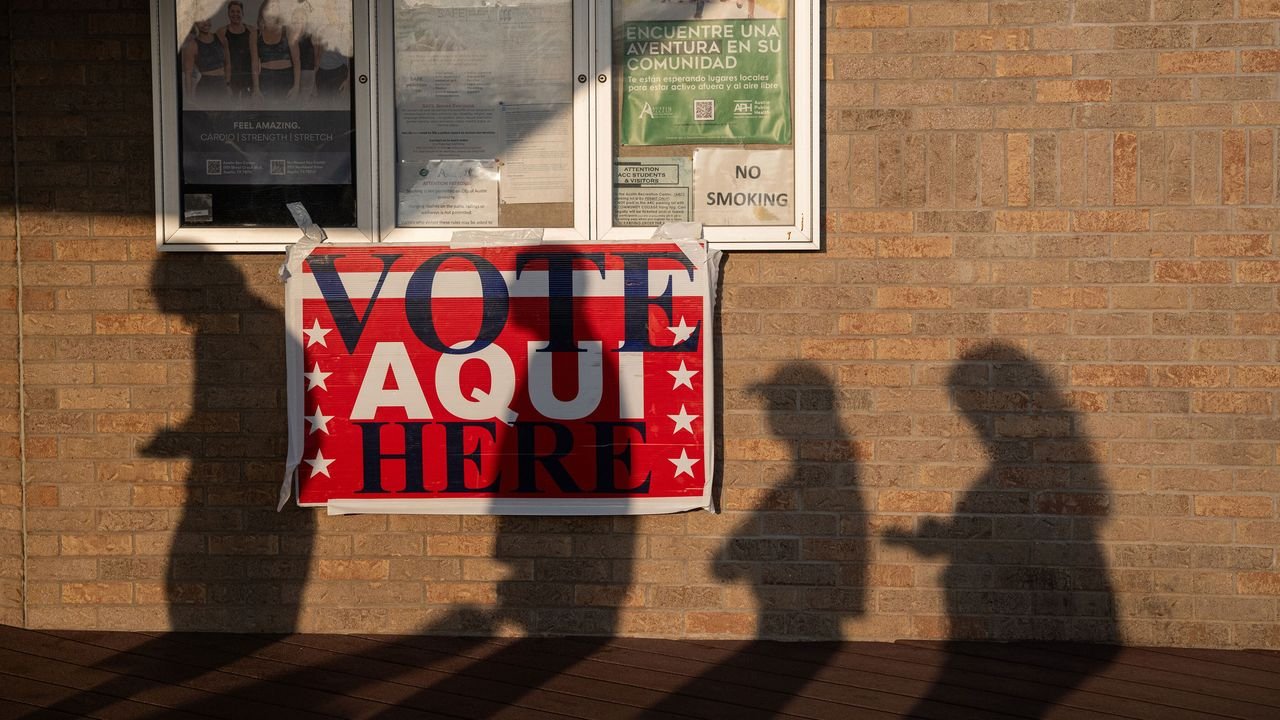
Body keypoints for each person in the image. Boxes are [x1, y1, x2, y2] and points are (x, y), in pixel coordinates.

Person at [254, 1, 301, 101]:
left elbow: (297, 61)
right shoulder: (255, 34)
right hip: (265, 80)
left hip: (286, 78)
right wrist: (256, 88)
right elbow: (254, 64)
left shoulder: (288, 31)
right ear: (262, 12)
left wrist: (296, 87)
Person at [180, 18, 230, 105]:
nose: (205, 23)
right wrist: (189, 98)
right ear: (195, 23)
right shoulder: (192, 45)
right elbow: (188, 74)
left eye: (207, 19)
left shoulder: (221, 38)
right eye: (201, 21)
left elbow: (228, 63)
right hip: (206, 86)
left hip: (222, 85)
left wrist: (228, 84)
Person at [218, 0, 255, 98]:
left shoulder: (251, 30)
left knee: (248, 105)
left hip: (248, 75)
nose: (235, 14)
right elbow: (219, 58)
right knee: (232, 105)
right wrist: (226, 81)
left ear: (243, 13)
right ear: (228, 13)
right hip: (231, 76)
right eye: (232, 11)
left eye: (238, 11)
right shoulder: (221, 32)